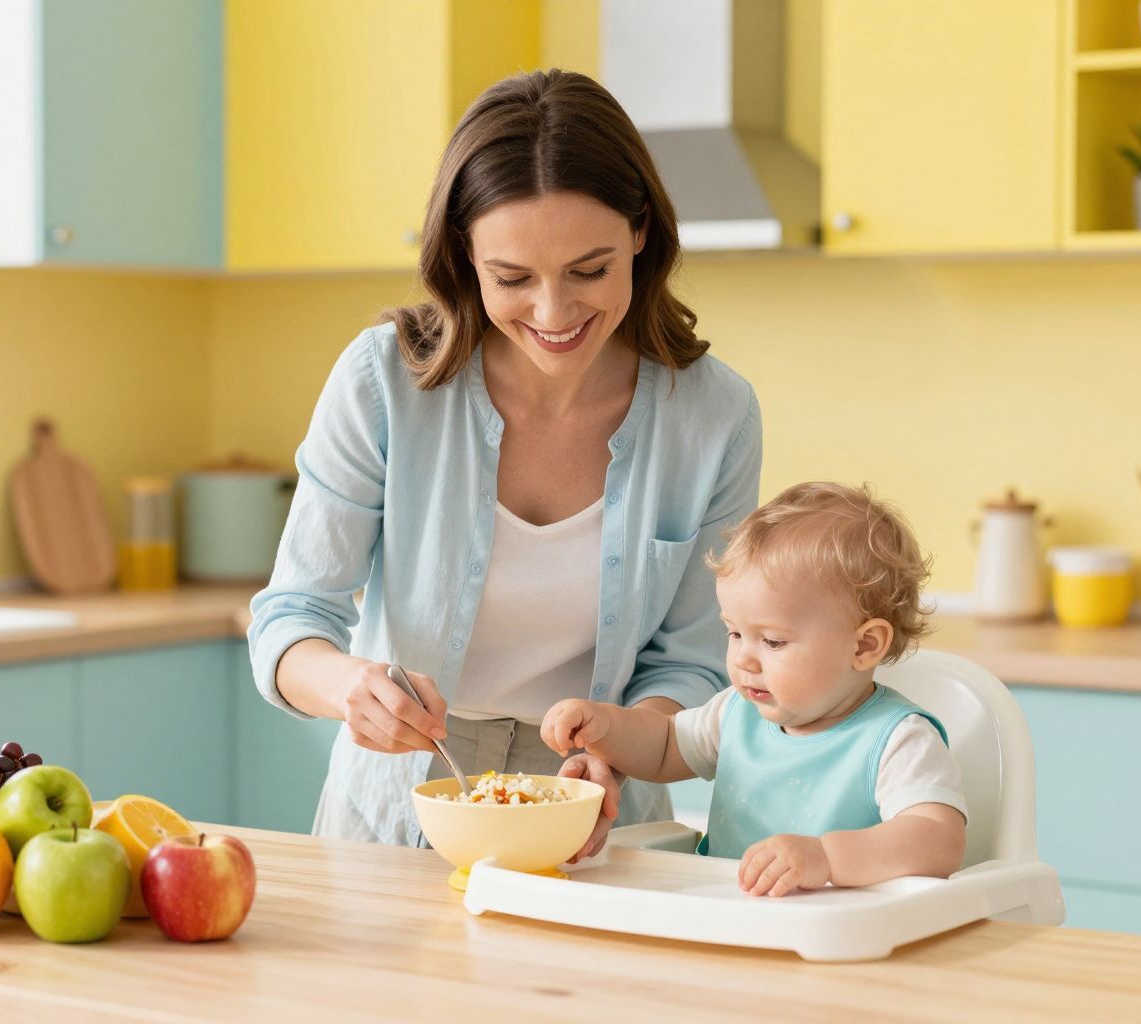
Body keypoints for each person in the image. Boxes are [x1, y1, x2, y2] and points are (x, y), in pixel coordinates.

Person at [247, 69, 762, 857]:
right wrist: (351, 689)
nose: (554, 314)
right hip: (397, 807)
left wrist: (623, 744)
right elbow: (290, 621)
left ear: (641, 233)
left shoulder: (714, 416)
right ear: (465, 255)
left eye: (589, 270)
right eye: (512, 278)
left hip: (599, 814)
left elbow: (692, 661)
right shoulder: (386, 381)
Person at [541, 482, 968, 895]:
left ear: (864, 645)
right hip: (728, 921)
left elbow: (937, 839)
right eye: (734, 634)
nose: (744, 659)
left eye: (773, 641)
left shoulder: (897, 739)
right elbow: (663, 745)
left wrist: (826, 858)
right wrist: (607, 726)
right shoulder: (735, 712)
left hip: (832, 934)